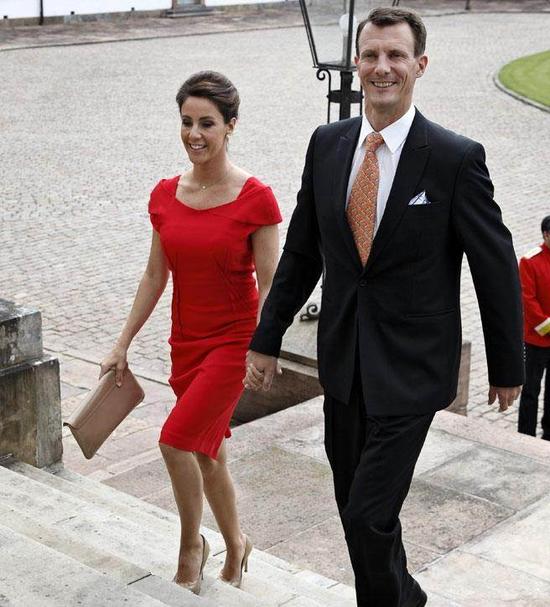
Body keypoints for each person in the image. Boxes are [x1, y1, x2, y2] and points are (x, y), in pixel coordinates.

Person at [244, 8, 524, 607]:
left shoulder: (453, 158)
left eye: (396, 55)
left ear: (420, 65)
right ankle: (405, 599)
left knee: (368, 514)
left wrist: (507, 366)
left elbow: (495, 266)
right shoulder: (327, 144)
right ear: (356, 63)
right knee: (355, 508)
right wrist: (266, 338)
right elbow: (302, 251)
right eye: (371, 55)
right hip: (343, 363)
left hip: (413, 368)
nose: (382, 67)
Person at [101, 71, 282, 595]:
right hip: (185, 343)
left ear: (231, 126)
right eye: (186, 122)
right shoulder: (165, 195)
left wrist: (264, 349)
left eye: (207, 123)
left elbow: (271, 284)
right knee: (207, 453)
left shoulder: (256, 199)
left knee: (176, 441)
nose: (194, 134)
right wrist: (122, 343)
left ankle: (190, 547)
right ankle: (238, 544)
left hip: (233, 343)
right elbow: (154, 276)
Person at [518, 215, 550, 439]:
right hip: (536, 340)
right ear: (546, 235)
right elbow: (528, 302)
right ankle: (525, 435)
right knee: (530, 391)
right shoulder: (529, 261)